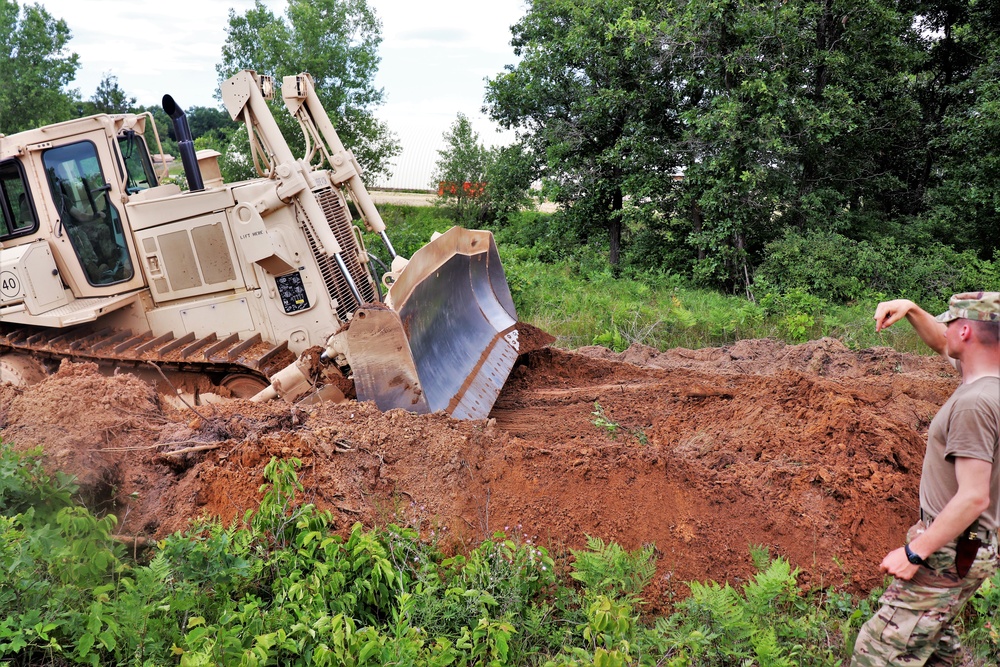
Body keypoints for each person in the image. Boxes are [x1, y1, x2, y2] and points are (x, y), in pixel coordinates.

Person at [852, 292, 1000, 666]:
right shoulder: (987, 381)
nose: (944, 328)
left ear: (965, 331)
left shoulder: (975, 403)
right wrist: (912, 309)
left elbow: (973, 497)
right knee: (934, 651)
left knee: (878, 651)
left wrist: (916, 551)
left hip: (953, 549)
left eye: (950, 322)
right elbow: (940, 342)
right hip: (969, 544)